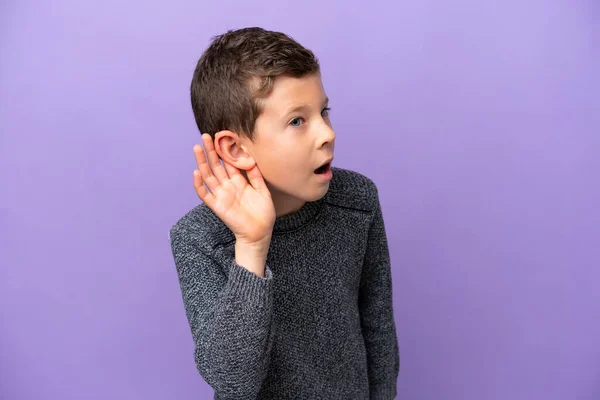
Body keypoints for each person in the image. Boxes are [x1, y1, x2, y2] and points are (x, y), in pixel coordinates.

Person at [169, 26, 400, 400]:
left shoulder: (357, 202)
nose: (327, 133)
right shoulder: (200, 239)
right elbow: (232, 380)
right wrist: (251, 245)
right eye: (297, 121)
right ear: (237, 149)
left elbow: (378, 328)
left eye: (324, 111)